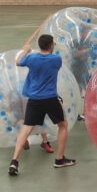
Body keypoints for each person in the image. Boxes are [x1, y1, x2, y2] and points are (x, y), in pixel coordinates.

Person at [8, 34, 76, 176]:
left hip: (34, 99)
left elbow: (17, 61)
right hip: (50, 99)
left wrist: (26, 50)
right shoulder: (56, 59)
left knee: (26, 129)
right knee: (62, 125)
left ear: (39, 45)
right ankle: (59, 159)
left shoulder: (32, 58)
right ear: (51, 45)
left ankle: (14, 161)